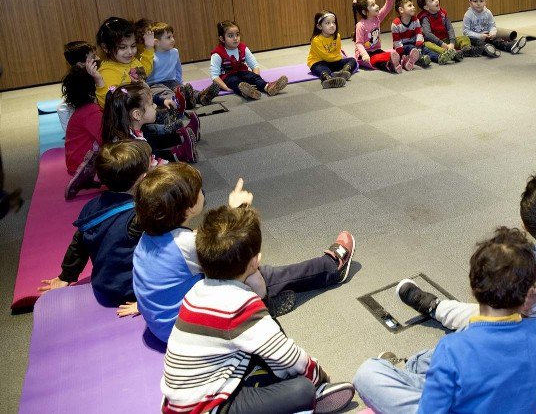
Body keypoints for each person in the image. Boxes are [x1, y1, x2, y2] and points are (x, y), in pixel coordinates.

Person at [396, 172, 536, 374]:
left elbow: (519, 309)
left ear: (526, 228)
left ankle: (436, 309)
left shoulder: (532, 263)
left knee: (493, 316)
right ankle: (437, 311)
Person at [354, 227, 536, 414]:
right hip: (468, 377)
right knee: (438, 356)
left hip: (450, 388)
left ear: (473, 287)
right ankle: (414, 368)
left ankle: (409, 369)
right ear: (527, 294)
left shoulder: (453, 350)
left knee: (368, 372)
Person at [160, 205, 355, 414]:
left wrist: (260, 293)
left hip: (186, 399)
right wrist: (320, 377)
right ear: (255, 262)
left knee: (265, 357)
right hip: (209, 408)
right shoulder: (239, 305)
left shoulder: (197, 291)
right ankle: (312, 399)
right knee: (302, 390)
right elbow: (290, 358)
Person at [131, 163, 356, 343]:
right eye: (199, 191)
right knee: (254, 272)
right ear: (188, 208)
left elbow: (202, 240)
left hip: (163, 326)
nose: (202, 192)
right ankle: (331, 268)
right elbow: (232, 247)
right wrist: (240, 210)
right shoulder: (186, 245)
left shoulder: (149, 236)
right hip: (188, 332)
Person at [39, 141, 151, 313]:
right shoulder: (141, 214)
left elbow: (79, 243)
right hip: (133, 291)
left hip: (103, 287)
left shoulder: (90, 207)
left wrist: (66, 276)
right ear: (143, 178)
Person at [102, 82, 195, 165]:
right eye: (151, 104)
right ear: (137, 114)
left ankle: (180, 141)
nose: (155, 106)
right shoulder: (136, 144)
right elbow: (151, 167)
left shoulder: (128, 128)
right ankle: (179, 152)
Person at [210, 20, 288, 100]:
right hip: (227, 76)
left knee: (252, 77)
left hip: (242, 72)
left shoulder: (243, 48)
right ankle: (248, 92)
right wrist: (226, 88)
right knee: (235, 81)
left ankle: (268, 87)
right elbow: (215, 76)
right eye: (230, 36)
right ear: (222, 39)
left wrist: (255, 78)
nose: (235, 38)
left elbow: (254, 65)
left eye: (237, 34)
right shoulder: (217, 54)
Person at [146, 21, 220, 106]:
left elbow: (178, 69)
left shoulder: (174, 52)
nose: (173, 40)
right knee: (166, 93)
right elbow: (145, 74)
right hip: (155, 85)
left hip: (171, 81)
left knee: (183, 89)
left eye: (173, 36)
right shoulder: (150, 56)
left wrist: (180, 83)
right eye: (168, 37)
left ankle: (201, 96)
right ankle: (183, 101)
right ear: (156, 42)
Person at [354, 0, 419, 73]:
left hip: (377, 50)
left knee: (392, 52)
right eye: (372, 5)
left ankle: (405, 62)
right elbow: (359, 43)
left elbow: (387, 7)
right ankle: (391, 65)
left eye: (375, 3)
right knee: (377, 60)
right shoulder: (360, 25)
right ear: (365, 12)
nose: (376, 6)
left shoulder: (377, 18)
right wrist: (364, 55)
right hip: (365, 54)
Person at [417, 0, 489, 59]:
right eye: (432, 0)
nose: (436, 1)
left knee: (464, 38)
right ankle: (448, 52)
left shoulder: (442, 14)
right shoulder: (425, 18)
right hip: (435, 42)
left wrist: (452, 42)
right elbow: (428, 34)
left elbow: (450, 28)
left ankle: (467, 49)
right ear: (426, 7)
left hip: (446, 39)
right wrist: (442, 44)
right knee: (427, 45)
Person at [463, 0, 527, 56]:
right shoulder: (468, 15)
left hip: (487, 35)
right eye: (475, 1)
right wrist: (479, 36)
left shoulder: (488, 12)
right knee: (480, 44)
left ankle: (511, 47)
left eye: (481, 1)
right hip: (474, 38)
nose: (478, 4)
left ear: (485, 1)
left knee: (498, 41)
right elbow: (466, 31)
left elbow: (492, 26)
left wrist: (492, 32)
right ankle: (490, 51)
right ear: (470, 2)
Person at [393, 0, 453, 66]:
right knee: (410, 47)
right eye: (410, 6)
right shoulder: (396, 24)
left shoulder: (415, 20)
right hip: (403, 47)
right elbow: (397, 42)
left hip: (415, 44)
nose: (413, 7)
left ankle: (439, 58)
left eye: (413, 5)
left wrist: (419, 45)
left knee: (426, 49)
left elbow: (419, 33)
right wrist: (401, 54)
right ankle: (421, 59)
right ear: (401, 10)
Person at [57, 41, 103, 130]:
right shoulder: (74, 81)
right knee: (62, 109)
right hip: (84, 105)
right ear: (81, 64)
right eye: (93, 57)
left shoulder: (100, 70)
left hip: (94, 105)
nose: (98, 58)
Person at [307, 11, 359, 88]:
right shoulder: (316, 40)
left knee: (352, 60)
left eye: (333, 22)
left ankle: (344, 71)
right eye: (327, 23)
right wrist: (339, 57)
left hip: (333, 61)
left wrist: (339, 58)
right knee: (323, 69)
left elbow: (337, 51)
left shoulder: (337, 36)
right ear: (319, 26)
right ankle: (327, 80)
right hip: (319, 62)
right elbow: (325, 56)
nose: (332, 25)